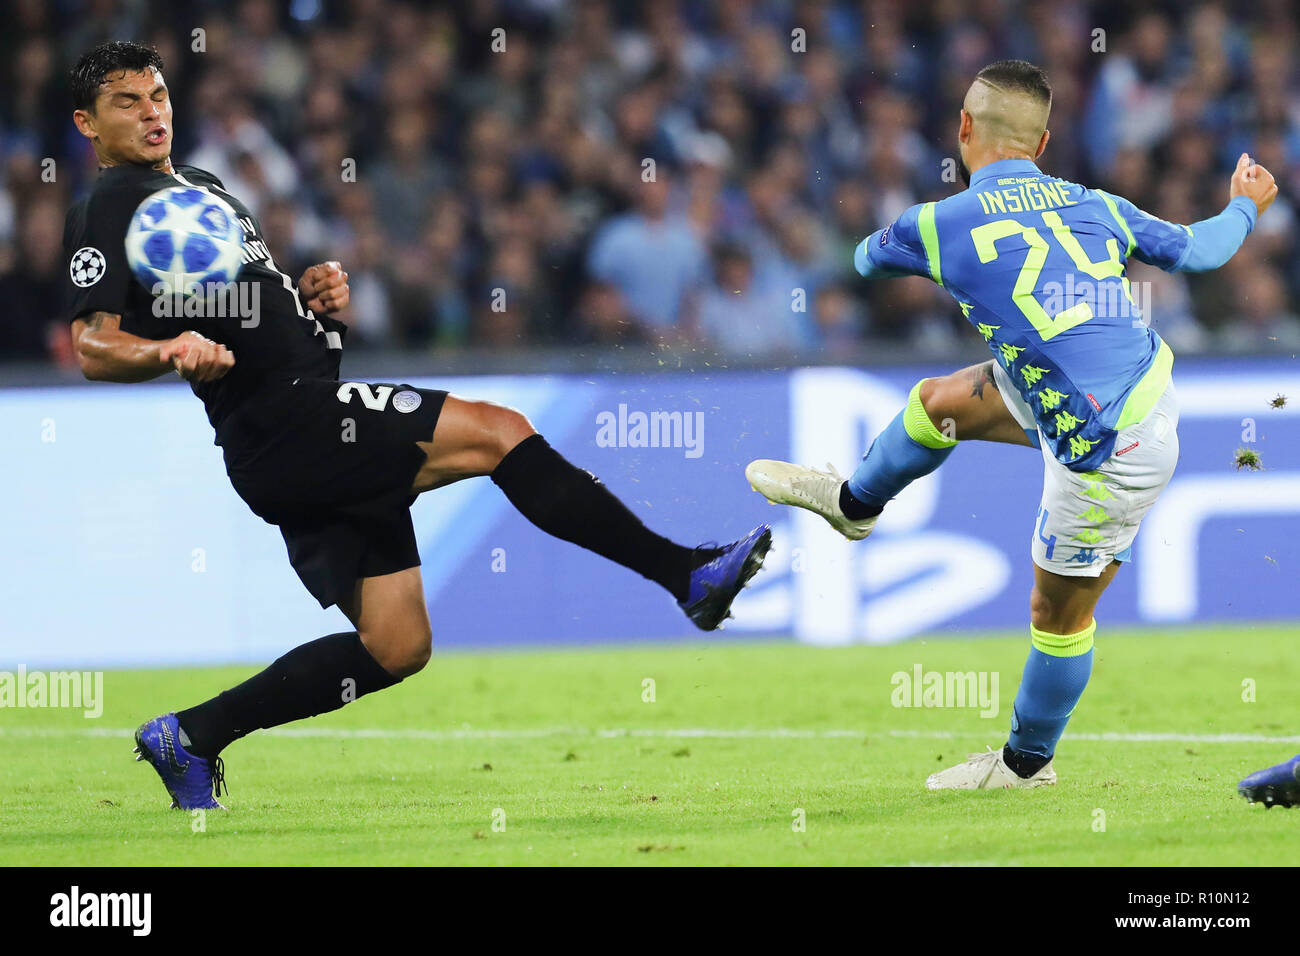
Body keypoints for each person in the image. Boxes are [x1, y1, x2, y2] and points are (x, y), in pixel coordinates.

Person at [63, 41, 771, 811]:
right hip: (286, 425)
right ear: (87, 124)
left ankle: (191, 737)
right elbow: (92, 344)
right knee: (500, 431)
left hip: (300, 420)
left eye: (157, 95)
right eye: (126, 103)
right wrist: (167, 347)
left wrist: (309, 302)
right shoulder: (111, 206)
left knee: (398, 647)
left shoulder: (201, 186)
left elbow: (246, 312)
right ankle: (684, 575)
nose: (151, 112)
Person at [746, 59, 1276, 791]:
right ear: (1045, 141)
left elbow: (866, 261)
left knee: (1056, 615)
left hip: (1109, 447)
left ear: (964, 128)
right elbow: (1204, 248)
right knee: (942, 402)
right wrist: (1246, 201)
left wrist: (910, 247)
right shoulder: (1096, 203)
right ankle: (853, 506)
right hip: (1117, 384)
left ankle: (1025, 767)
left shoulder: (933, 223)